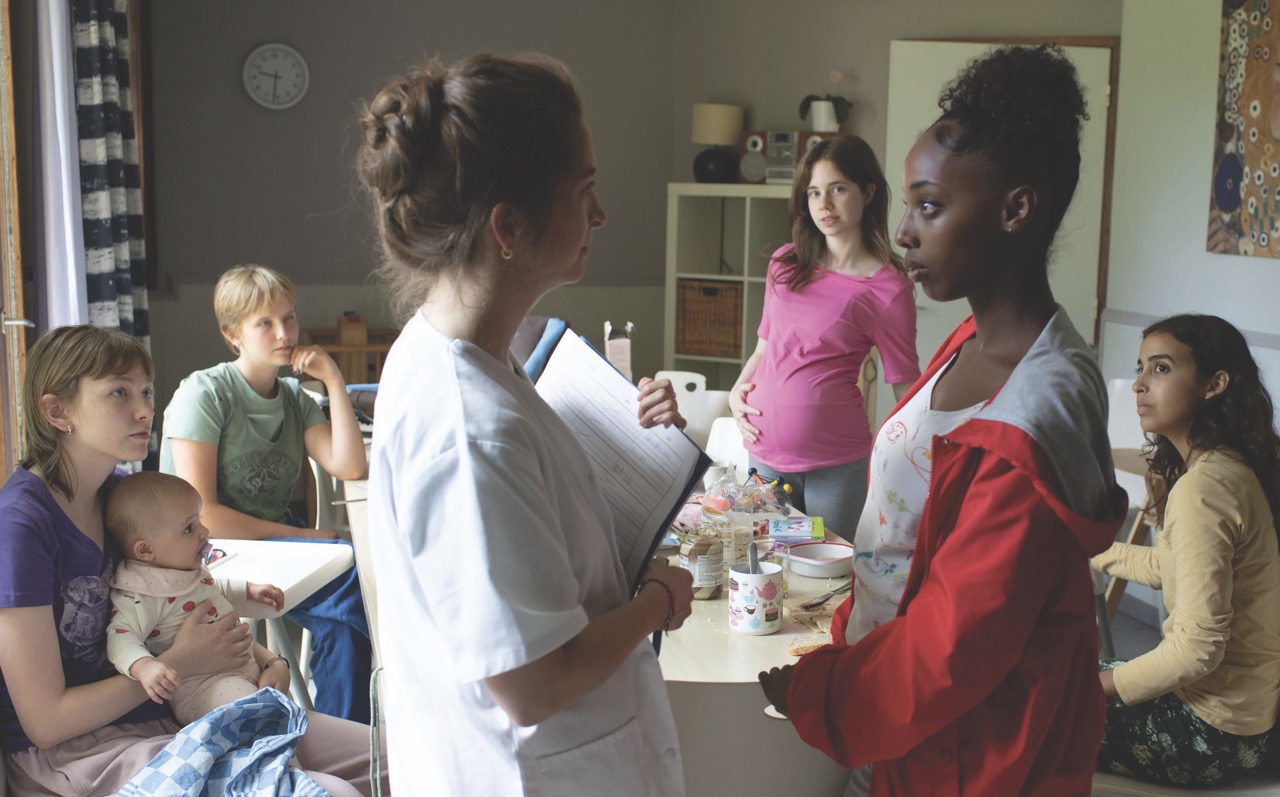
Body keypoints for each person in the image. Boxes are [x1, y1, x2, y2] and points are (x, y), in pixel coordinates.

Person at [758, 44, 1128, 795]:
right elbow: (903, 541)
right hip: (896, 726)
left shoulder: (1038, 406)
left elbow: (950, 648)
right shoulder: (968, 342)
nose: (904, 233)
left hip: (959, 753)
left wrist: (819, 695)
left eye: (929, 206)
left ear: (1015, 208)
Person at [356, 52, 695, 795]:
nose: (600, 215)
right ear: (507, 226)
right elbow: (534, 681)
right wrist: (657, 602)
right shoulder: (469, 426)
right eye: (585, 190)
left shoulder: (464, 355)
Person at [0, 324, 381, 796]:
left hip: (170, 710)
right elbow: (45, 721)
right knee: (331, 792)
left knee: (389, 757)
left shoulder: (122, 497)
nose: (144, 410)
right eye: (119, 393)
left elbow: (185, 595)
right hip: (80, 750)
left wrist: (271, 661)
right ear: (57, 411)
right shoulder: (21, 527)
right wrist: (182, 661)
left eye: (145, 391)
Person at [160, 264, 373, 723]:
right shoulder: (206, 393)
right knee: (354, 582)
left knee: (346, 617)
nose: (284, 332)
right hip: (203, 550)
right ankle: (361, 721)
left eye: (290, 318)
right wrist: (307, 536)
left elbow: (350, 465)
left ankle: (346, 738)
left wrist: (333, 380)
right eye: (265, 322)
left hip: (270, 542)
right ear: (231, 333)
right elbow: (204, 516)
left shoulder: (295, 398)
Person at [1092, 314, 1280, 787]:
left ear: (1214, 383)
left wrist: (1093, 689)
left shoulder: (1205, 489)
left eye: (1160, 369)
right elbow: (1172, 568)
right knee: (1049, 669)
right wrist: (1090, 553)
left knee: (1027, 700)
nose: (1137, 385)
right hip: (1244, 723)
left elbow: (1196, 651)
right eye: (1140, 368)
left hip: (1211, 732)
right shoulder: (1228, 466)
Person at [729, 134, 919, 538]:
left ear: (867, 193)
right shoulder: (785, 263)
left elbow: (906, 385)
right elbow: (765, 347)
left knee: (827, 581)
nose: (824, 205)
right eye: (814, 192)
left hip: (836, 463)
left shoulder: (887, 288)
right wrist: (736, 391)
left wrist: (932, 461)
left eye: (837, 189)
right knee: (767, 564)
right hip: (763, 452)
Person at [103, 471, 290, 726]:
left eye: (200, 520)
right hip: (204, 690)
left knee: (285, 721)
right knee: (264, 723)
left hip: (246, 673)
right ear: (145, 550)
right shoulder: (140, 593)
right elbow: (120, 637)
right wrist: (145, 667)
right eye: (189, 528)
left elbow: (213, 589)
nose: (205, 532)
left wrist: (247, 590)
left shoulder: (186, 570)